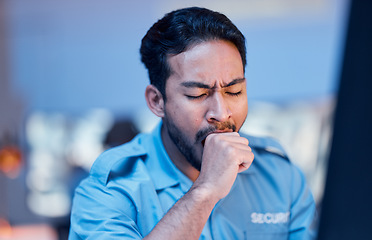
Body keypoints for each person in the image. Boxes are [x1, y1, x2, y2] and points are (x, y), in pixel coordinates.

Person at [68, 7, 316, 239]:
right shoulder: (109, 191)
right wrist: (205, 190)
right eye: (197, 95)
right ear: (156, 101)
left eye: (234, 91)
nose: (221, 113)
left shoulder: (279, 175)